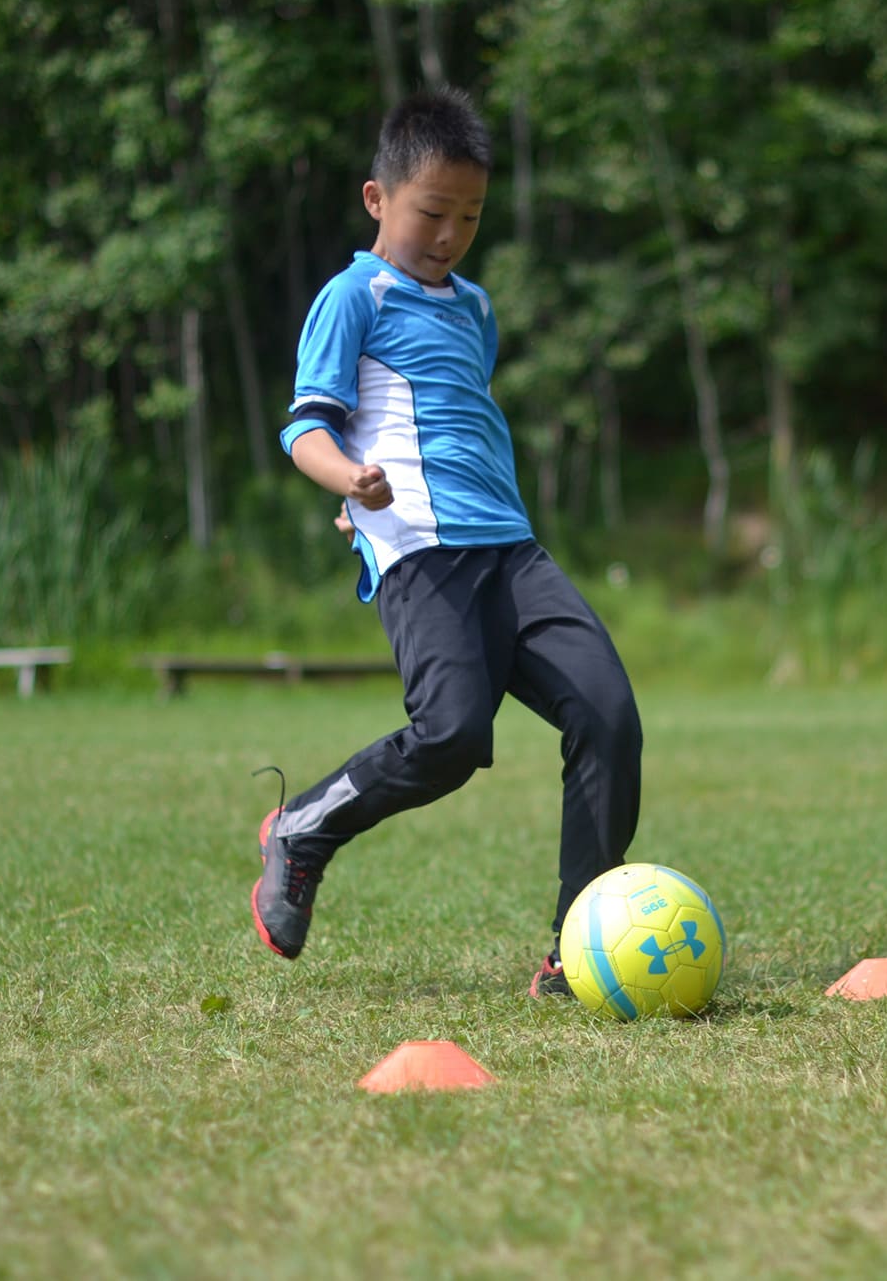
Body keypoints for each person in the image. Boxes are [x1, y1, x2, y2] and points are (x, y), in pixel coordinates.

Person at [251, 87, 642, 999]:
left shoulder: (475, 307)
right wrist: (349, 482)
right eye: (432, 211)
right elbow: (305, 428)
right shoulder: (353, 295)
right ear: (377, 199)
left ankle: (573, 955)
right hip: (421, 553)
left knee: (609, 716)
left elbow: (452, 417)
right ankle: (303, 827)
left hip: (512, 550)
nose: (450, 234)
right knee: (454, 736)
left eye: (470, 216)